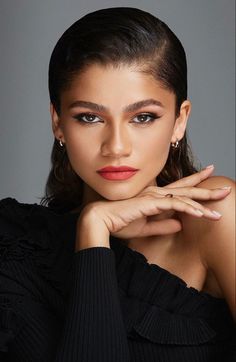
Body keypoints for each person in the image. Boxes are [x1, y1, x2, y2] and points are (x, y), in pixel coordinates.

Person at [0, 7, 235, 362]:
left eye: (143, 117)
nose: (117, 147)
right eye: (89, 117)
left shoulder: (215, 214)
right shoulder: (14, 245)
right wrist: (94, 229)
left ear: (178, 121)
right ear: (58, 123)